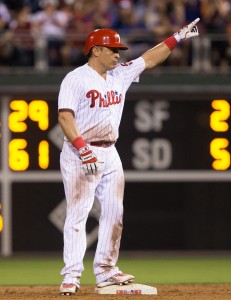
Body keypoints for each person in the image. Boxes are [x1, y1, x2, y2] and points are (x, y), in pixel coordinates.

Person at [58, 18, 200, 296]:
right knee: (78, 214)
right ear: (95, 50)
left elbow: (149, 58)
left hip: (110, 151)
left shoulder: (119, 74)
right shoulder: (75, 78)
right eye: (112, 50)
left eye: (118, 50)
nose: (117, 54)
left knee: (115, 212)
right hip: (79, 151)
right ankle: (71, 276)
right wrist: (82, 147)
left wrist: (177, 37)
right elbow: (65, 116)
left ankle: (106, 270)